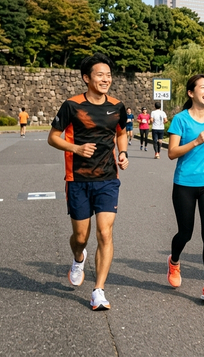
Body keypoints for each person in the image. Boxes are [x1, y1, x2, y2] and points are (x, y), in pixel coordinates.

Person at [47, 53, 129, 311]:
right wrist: (76, 148)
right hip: (78, 179)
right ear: (86, 78)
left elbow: (122, 133)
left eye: (108, 75)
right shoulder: (71, 106)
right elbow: (53, 137)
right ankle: (78, 257)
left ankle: (98, 290)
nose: (106, 79)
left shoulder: (117, 106)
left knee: (105, 232)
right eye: (100, 75)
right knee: (81, 237)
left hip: (107, 178)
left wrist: (123, 153)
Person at [166, 74, 204, 303]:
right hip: (184, 183)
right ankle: (174, 262)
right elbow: (172, 153)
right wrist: (195, 142)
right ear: (191, 93)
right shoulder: (180, 120)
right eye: (203, 87)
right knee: (185, 232)